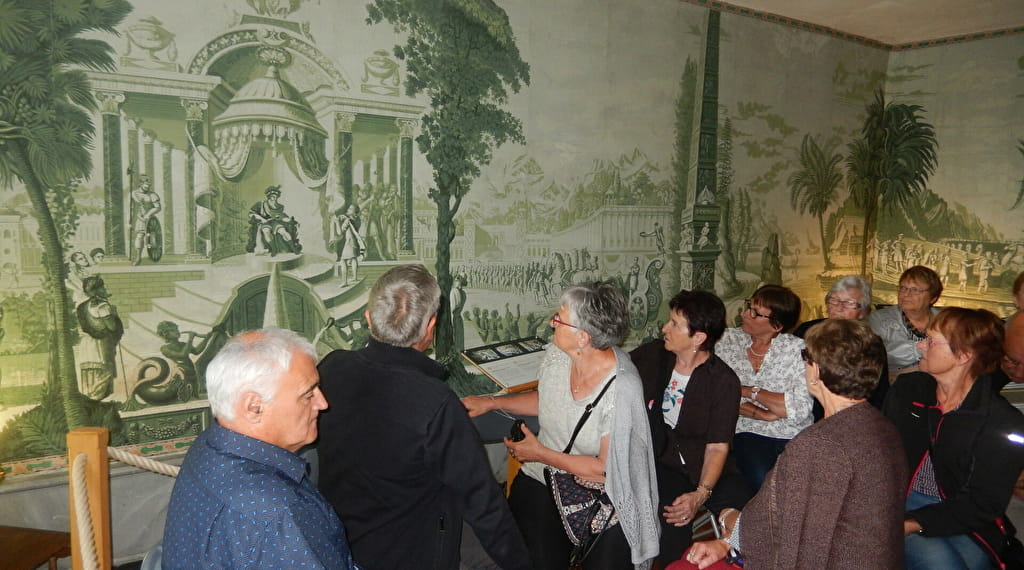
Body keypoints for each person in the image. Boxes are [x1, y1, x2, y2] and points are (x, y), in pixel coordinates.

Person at [317, 264, 529, 570]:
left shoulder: (332, 367)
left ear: (368, 317)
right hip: (413, 551)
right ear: (430, 328)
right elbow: (483, 504)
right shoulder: (436, 402)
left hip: (337, 539)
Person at [676, 319, 907, 570]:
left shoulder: (818, 444)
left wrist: (729, 524)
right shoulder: (883, 427)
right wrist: (728, 541)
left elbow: (789, 532)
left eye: (806, 357)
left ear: (816, 371)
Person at [463, 281, 660, 570]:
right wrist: (493, 402)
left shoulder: (623, 387)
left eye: (559, 318)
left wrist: (539, 452)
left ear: (583, 337)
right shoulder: (559, 356)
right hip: (544, 476)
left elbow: (604, 469)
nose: (552, 322)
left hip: (602, 492)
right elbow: (547, 400)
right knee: (528, 555)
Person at [162, 328, 359, 569]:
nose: (322, 403)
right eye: (308, 394)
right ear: (254, 407)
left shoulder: (208, 444)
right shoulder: (275, 514)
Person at [884, 307, 1024, 570]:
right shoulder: (908, 390)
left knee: (976, 563)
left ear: (963, 355)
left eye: (931, 341)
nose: (920, 347)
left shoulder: (1003, 422)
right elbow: (879, 453)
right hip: (899, 501)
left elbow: (983, 502)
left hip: (960, 511)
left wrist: (912, 524)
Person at [630, 289, 750, 565]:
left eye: (674, 324)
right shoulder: (654, 357)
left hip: (709, 466)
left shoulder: (722, 381)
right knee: (673, 518)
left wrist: (702, 493)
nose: (665, 328)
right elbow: (613, 369)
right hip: (665, 461)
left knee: (743, 515)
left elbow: (718, 446)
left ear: (698, 338)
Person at [716, 284, 811, 492]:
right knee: (764, 482)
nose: (746, 314)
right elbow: (718, 395)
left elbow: (798, 408)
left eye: (756, 313)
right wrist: (762, 413)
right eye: (749, 306)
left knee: (804, 484)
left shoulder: (797, 350)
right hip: (747, 432)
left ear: (776, 326)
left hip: (794, 434)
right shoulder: (725, 341)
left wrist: (749, 391)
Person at [793, 275, 888, 419]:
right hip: (801, 410)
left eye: (849, 303)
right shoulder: (807, 331)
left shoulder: (870, 342)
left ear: (863, 311)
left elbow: (878, 394)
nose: (839, 308)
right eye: (834, 301)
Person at [869, 265, 942, 381]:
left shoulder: (945, 319)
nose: (906, 294)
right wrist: (930, 349)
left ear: (933, 298)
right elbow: (880, 355)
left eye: (915, 290)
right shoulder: (879, 318)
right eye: (903, 288)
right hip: (893, 385)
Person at [247, 185, 301, 255]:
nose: (275, 199)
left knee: (283, 231)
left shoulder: (279, 207)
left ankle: (293, 248)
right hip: (264, 223)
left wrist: (293, 221)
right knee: (266, 232)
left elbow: (282, 217)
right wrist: (262, 219)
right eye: (273, 197)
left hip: (274, 222)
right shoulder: (261, 204)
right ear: (269, 196)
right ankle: (273, 249)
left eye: (276, 197)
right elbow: (251, 213)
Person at [328, 203, 365, 286]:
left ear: (354, 212)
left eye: (350, 209)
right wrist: (345, 218)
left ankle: (344, 282)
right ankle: (355, 277)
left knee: (343, 261)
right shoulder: (357, 219)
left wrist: (337, 222)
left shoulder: (347, 221)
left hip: (349, 243)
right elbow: (352, 222)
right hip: (355, 242)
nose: (348, 210)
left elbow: (340, 232)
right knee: (354, 259)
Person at [131, 175, 161, 266]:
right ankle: (138, 257)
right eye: (145, 185)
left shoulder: (153, 195)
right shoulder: (134, 193)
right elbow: (131, 207)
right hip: (140, 218)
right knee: (139, 236)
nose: (147, 187)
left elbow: (158, 208)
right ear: (141, 184)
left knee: (152, 238)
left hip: (149, 219)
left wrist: (148, 214)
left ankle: (150, 255)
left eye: (149, 185)